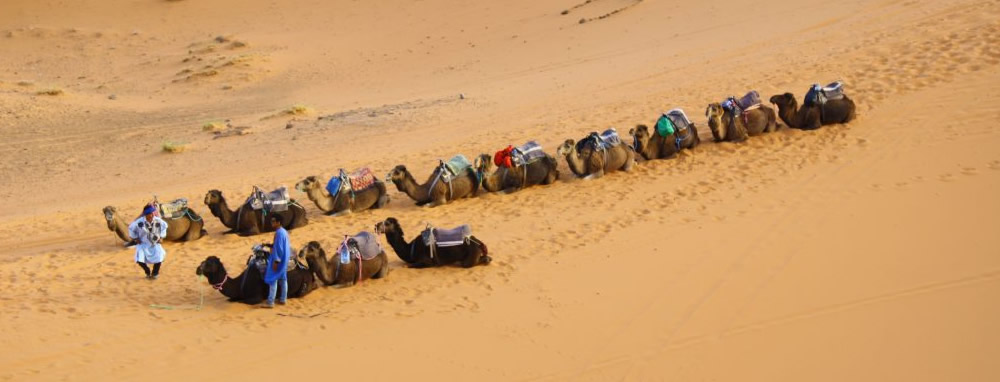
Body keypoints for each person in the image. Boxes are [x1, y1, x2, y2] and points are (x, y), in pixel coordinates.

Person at [128, 204, 168, 280]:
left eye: (153, 212)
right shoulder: (139, 222)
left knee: (159, 257)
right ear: (146, 214)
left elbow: (165, 226)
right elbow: (130, 228)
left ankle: (155, 273)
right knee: (139, 259)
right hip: (143, 244)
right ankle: (147, 271)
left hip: (155, 243)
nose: (153, 214)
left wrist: (162, 237)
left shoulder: (158, 220)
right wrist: (135, 238)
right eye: (150, 213)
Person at [262, 215, 290, 308]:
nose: (272, 223)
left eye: (273, 221)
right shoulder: (284, 232)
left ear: (278, 222)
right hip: (284, 260)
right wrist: (270, 245)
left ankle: (270, 302)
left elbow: (279, 248)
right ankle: (283, 299)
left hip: (278, 260)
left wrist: (276, 262)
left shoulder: (279, 233)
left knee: (273, 279)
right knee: (283, 279)